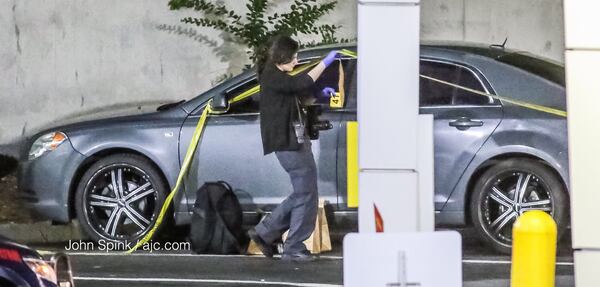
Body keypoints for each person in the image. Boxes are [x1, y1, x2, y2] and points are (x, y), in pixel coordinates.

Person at [247, 35, 339, 262]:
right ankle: (294, 247)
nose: (297, 61)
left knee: (303, 192)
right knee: (306, 193)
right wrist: (324, 64)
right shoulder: (272, 76)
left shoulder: (276, 76)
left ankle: (265, 233)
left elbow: (297, 95)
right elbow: (301, 83)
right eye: (294, 57)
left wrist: (321, 95)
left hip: (291, 141)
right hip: (288, 143)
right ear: (282, 57)